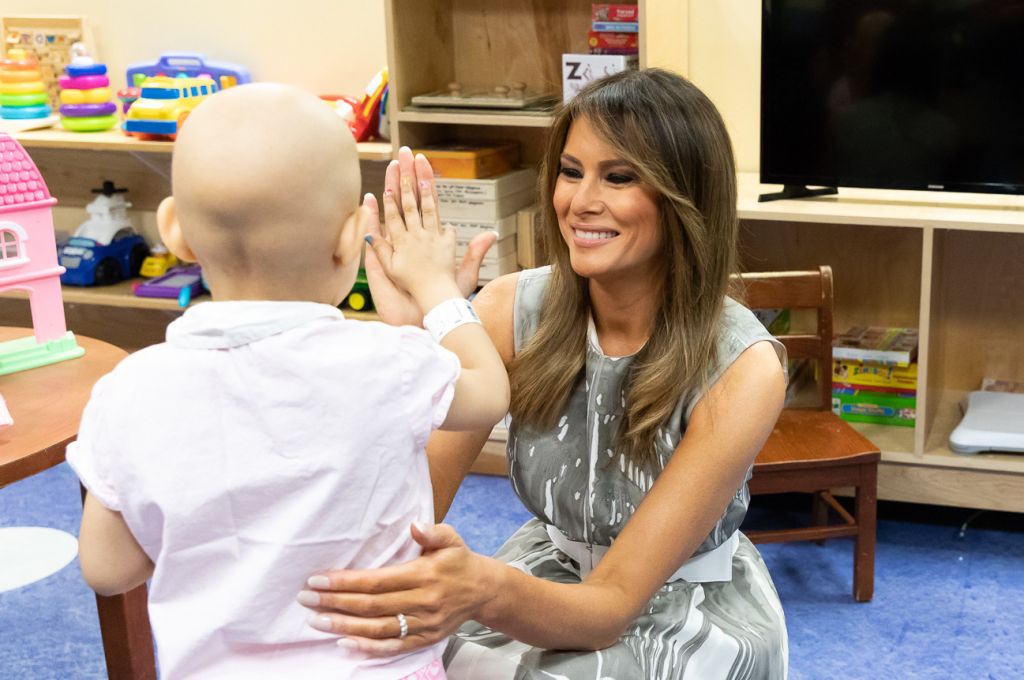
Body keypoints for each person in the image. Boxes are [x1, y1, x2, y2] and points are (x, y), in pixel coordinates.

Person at [300, 68, 791, 679]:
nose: (580, 201)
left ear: (685, 195)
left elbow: (608, 608)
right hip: (544, 577)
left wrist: (478, 588)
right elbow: (406, 511)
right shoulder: (507, 308)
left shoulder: (743, 365)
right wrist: (409, 350)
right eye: (570, 170)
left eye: (619, 177)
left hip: (678, 607)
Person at [67, 83, 509, 680]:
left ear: (173, 230)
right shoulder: (389, 362)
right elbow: (489, 389)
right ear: (352, 238)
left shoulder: (128, 390)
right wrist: (434, 288)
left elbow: (108, 568)